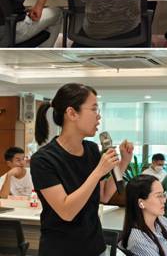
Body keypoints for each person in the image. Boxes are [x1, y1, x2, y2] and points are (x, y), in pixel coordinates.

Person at [30, 83, 133, 256]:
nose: (98, 116)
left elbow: (104, 195)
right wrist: (98, 171)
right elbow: (66, 211)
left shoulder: (91, 149)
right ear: (72, 113)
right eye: (93, 109)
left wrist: (124, 162)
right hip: (61, 250)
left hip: (95, 246)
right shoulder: (43, 160)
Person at [121, 175, 167, 256]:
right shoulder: (139, 240)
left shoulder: (163, 221)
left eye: (164, 194)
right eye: (158, 196)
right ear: (141, 203)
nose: (164, 200)